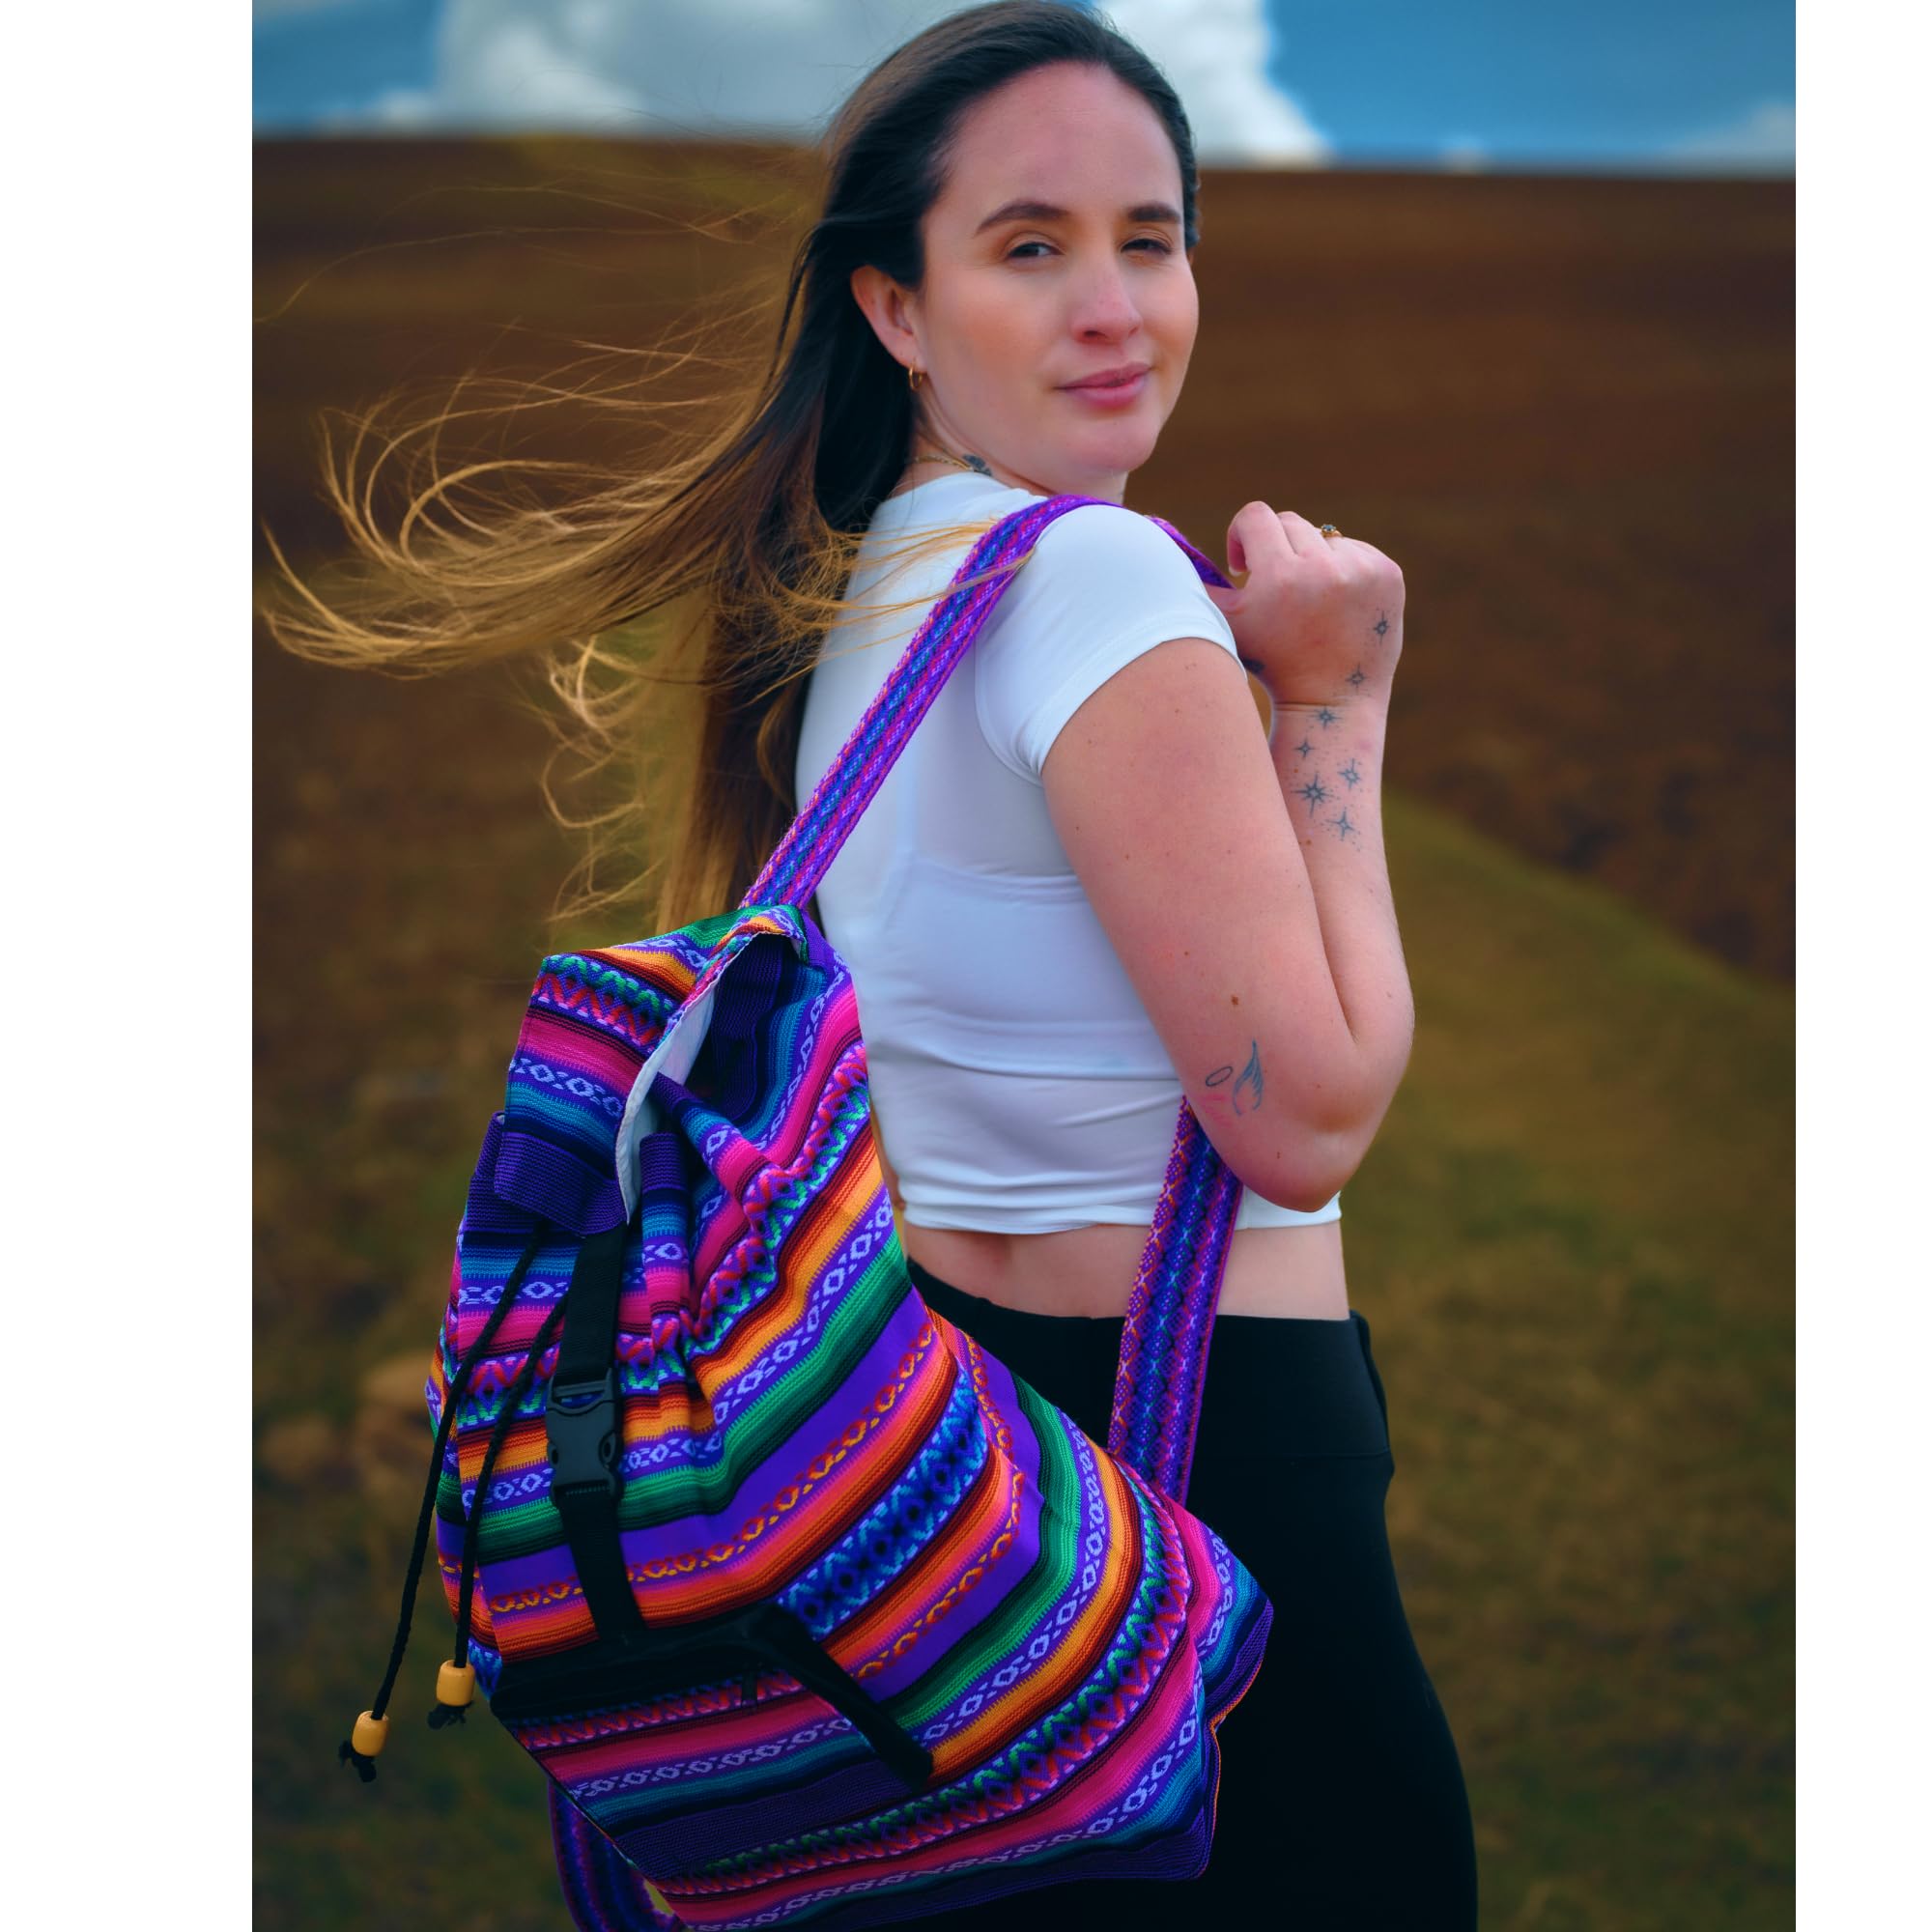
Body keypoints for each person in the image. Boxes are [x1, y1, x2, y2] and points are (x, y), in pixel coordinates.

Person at [266, 4, 1478, 1923]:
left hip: (925, 1466)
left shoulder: (878, 598)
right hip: (1202, 1463)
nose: (1114, 306)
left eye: (1149, 239)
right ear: (894, 310)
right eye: (1028, 244)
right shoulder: (1087, 579)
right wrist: (1339, 696)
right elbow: (1305, 1111)